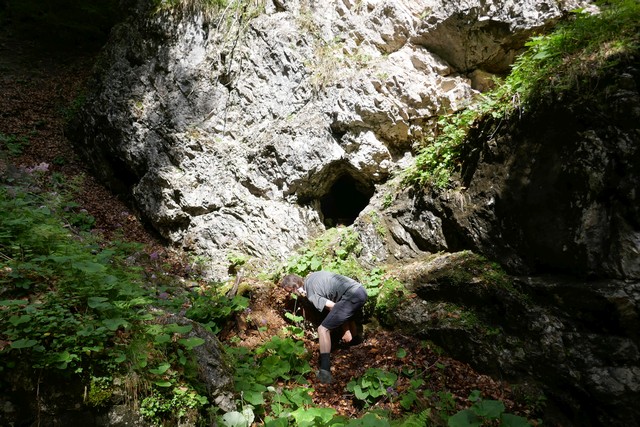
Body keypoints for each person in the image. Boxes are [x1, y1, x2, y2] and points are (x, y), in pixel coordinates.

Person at [280, 270, 368, 384]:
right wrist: (347, 331)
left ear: (295, 287)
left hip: (351, 297)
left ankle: (325, 371)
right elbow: (340, 307)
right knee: (342, 311)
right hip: (359, 290)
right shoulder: (313, 277)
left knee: (323, 329)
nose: (291, 294)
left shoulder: (311, 294)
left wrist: (345, 331)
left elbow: (333, 307)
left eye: (290, 291)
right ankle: (356, 342)